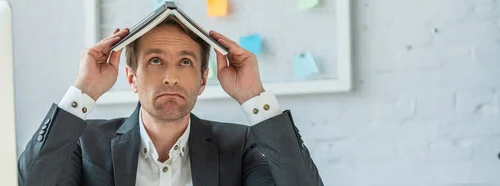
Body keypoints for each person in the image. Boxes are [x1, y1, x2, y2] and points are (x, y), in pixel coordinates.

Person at [17, 15, 324, 186]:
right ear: (132, 78)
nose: (171, 77)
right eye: (155, 61)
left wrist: (254, 96)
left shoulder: (241, 145)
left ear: (203, 80)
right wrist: (84, 89)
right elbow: (32, 182)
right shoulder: (85, 141)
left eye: (186, 62)